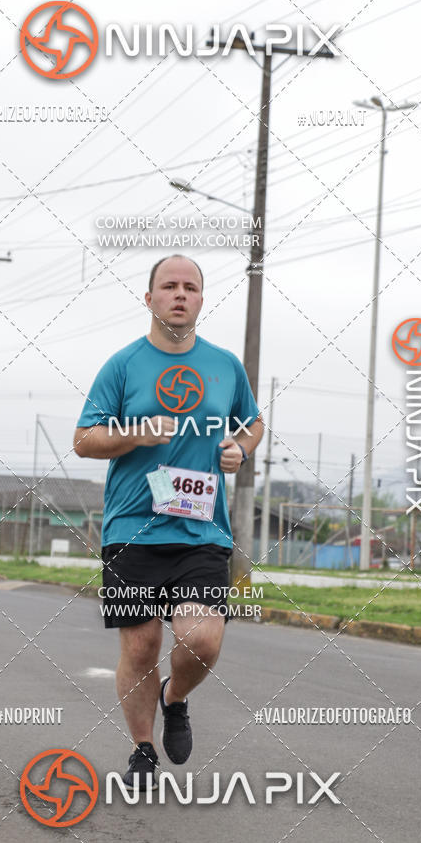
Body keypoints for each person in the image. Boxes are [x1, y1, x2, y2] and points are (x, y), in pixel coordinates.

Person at [74, 254, 263, 790]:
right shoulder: (123, 365)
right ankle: (142, 748)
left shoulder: (225, 365)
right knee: (140, 648)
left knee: (201, 640)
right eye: (169, 286)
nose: (180, 295)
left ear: (201, 300)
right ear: (150, 297)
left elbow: (253, 423)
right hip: (132, 528)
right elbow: (84, 439)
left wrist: (240, 450)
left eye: (191, 287)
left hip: (201, 530)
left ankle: (173, 698)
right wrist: (135, 433)